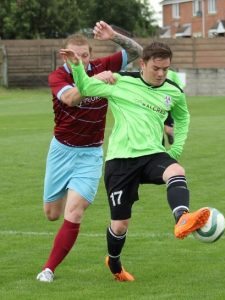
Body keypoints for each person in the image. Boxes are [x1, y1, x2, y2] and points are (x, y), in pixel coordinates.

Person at [61, 41, 210, 282]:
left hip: (152, 154)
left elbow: (183, 117)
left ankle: (182, 218)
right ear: (143, 64)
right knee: (120, 225)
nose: (161, 74)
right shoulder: (120, 82)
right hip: (120, 161)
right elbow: (86, 88)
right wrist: (78, 67)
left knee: (176, 170)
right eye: (156, 68)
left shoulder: (173, 90)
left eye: (165, 69)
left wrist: (177, 146)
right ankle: (115, 262)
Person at [36, 21, 142, 283]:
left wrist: (113, 35)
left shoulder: (101, 66)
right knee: (52, 214)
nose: (80, 61)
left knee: (75, 211)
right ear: (65, 56)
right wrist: (96, 80)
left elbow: (139, 52)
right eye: (74, 56)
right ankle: (50, 261)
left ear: (91, 55)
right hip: (61, 152)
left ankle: (48, 269)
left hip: (90, 154)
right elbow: (71, 98)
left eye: (84, 56)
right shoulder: (58, 76)